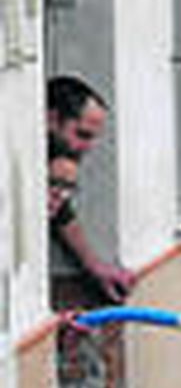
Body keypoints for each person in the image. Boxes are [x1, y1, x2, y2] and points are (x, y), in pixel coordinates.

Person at [48, 75, 137, 304]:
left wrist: (95, 266)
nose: (87, 148)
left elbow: (62, 215)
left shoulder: (60, 159)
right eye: (82, 134)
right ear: (52, 119)